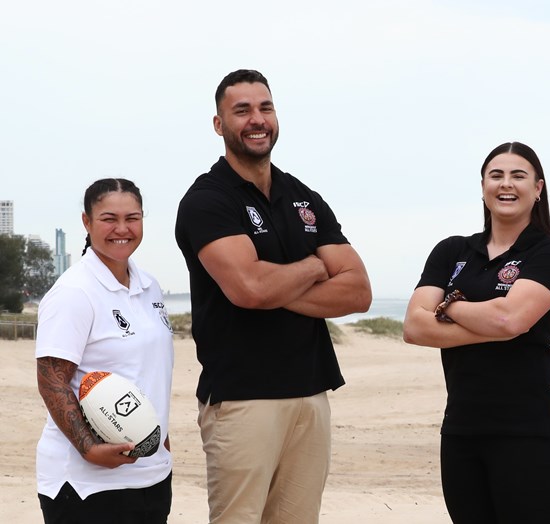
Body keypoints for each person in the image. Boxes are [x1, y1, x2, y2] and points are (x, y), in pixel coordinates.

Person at [174, 69, 372, 524]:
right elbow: (249, 288)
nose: (257, 119)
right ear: (219, 124)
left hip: (311, 393)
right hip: (243, 399)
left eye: (265, 108)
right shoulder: (207, 200)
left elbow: (359, 290)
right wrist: (315, 267)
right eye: (241, 110)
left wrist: (268, 286)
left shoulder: (302, 197)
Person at [403, 142, 550, 523]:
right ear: (483, 186)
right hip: (461, 432)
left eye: (518, 176)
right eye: (496, 175)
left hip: (528, 434)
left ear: (538, 188)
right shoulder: (452, 251)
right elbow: (414, 326)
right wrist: (498, 324)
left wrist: (449, 306)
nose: (506, 184)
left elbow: (509, 320)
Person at [35, 178, 174, 523]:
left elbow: (148, 372)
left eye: (132, 218)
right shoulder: (74, 291)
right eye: (109, 219)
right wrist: (89, 449)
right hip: (86, 485)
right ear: (87, 222)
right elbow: (52, 380)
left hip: (152, 477)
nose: (122, 229)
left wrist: (160, 441)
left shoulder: (150, 286)